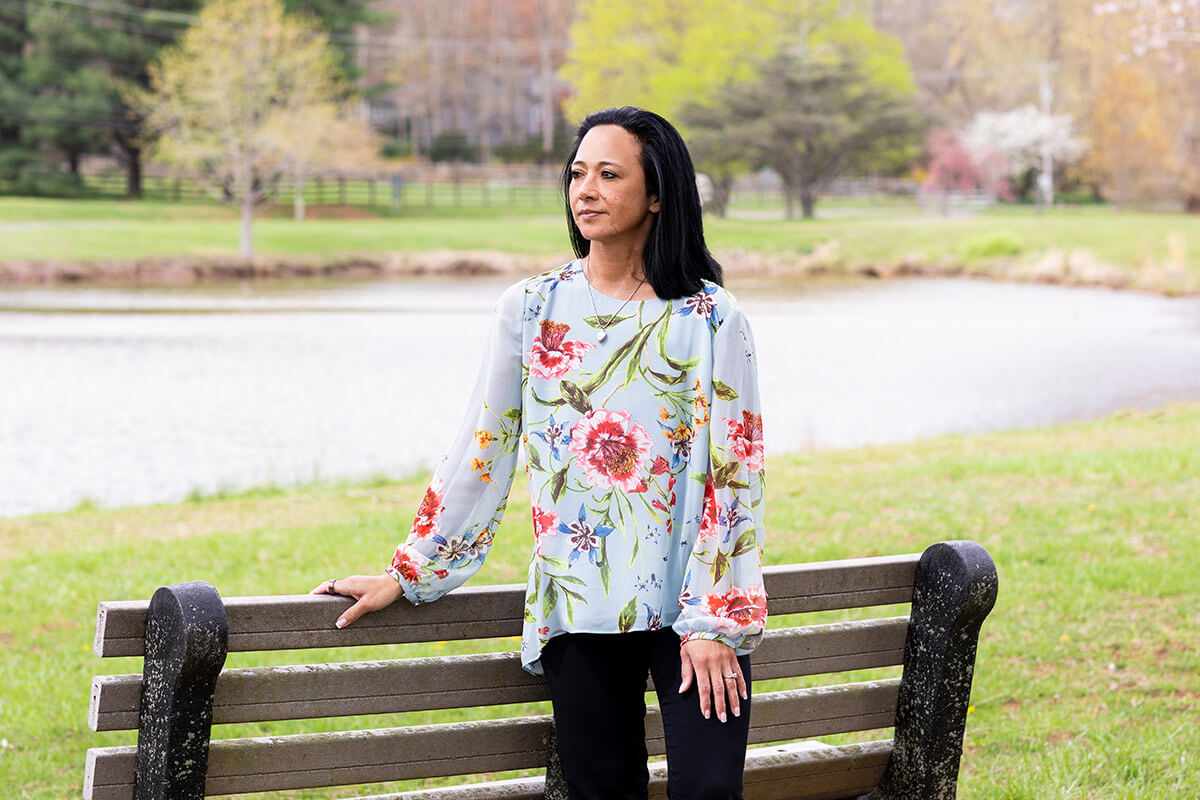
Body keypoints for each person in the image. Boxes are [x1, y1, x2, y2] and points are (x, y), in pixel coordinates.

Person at [314, 106, 767, 800]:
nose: (585, 189)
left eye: (609, 174)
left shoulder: (710, 317)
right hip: (579, 603)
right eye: (578, 173)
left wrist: (713, 619)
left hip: (691, 610)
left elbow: (734, 475)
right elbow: (483, 445)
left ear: (655, 195)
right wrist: (410, 571)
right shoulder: (532, 308)